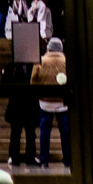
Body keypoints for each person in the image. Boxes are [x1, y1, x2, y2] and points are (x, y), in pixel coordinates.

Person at [31, 37, 69, 168]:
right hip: (62, 102)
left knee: (44, 132)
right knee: (65, 132)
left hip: (45, 102)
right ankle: (67, 159)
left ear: (49, 48)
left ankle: (44, 160)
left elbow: (33, 80)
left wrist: (38, 94)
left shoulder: (41, 60)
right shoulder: (66, 61)